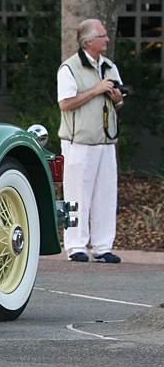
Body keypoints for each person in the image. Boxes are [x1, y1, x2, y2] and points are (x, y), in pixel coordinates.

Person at [57, 18, 124, 263]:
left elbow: (118, 103)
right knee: (77, 194)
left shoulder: (109, 66)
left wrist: (117, 98)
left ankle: (103, 247)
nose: (107, 39)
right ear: (88, 41)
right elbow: (65, 103)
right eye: (102, 36)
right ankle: (75, 247)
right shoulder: (69, 68)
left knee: (106, 196)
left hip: (105, 141)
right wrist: (97, 89)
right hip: (79, 142)